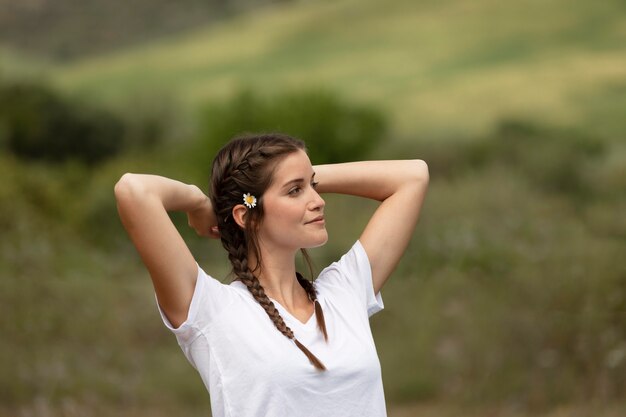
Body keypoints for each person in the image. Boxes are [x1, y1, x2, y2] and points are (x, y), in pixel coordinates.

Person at [114, 133, 429, 417]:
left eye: (313, 187)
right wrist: (199, 202)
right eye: (295, 191)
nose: (318, 201)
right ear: (246, 216)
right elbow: (133, 190)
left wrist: (299, 173)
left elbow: (413, 176)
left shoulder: (344, 291)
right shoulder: (213, 311)